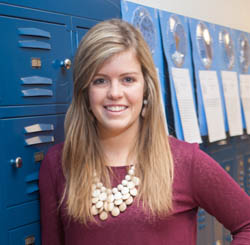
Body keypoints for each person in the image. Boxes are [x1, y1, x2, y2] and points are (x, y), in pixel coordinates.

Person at [39, 19, 250, 245]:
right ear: (85, 92)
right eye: (100, 81)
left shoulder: (184, 161)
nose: (115, 93)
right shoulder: (58, 164)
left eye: (128, 79)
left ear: (146, 88)